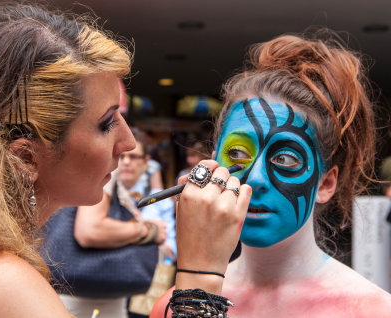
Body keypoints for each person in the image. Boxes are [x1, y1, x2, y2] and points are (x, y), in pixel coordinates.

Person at [0, 3, 248, 317]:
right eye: (107, 123)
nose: (128, 143)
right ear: (25, 158)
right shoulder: (6, 282)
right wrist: (201, 274)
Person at [151, 31, 391, 317]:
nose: (256, 178)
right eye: (237, 154)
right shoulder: (174, 305)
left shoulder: (370, 310)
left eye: (286, 158)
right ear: (213, 166)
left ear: (326, 184)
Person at [59, 127, 175, 318]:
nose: (126, 162)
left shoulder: (116, 184)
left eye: (134, 157)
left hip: (102, 294)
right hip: (84, 296)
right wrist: (148, 230)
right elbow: (90, 230)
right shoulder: (108, 176)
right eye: (121, 156)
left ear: (146, 162)